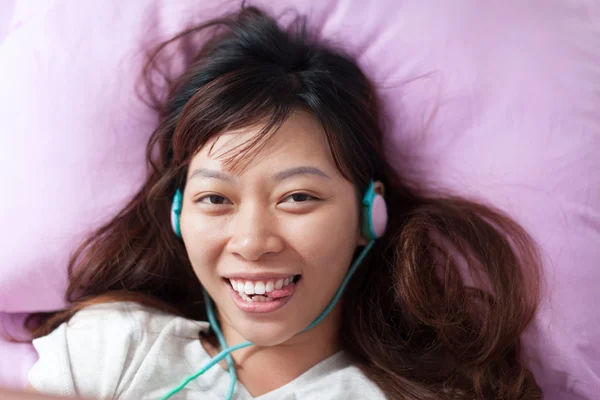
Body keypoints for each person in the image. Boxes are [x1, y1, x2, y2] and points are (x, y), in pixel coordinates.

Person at [23, 5, 542, 400]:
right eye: (215, 198)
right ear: (180, 215)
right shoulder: (113, 349)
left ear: (369, 215)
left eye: (297, 197)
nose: (252, 242)